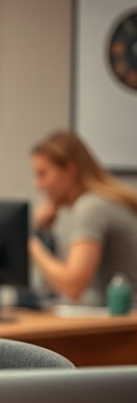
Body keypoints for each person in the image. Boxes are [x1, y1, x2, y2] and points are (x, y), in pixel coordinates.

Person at [29, 130, 137, 305]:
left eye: (43, 174)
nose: (38, 186)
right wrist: (44, 232)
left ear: (70, 169)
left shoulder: (91, 207)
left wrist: (31, 244)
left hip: (123, 324)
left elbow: (73, 286)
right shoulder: (97, 202)